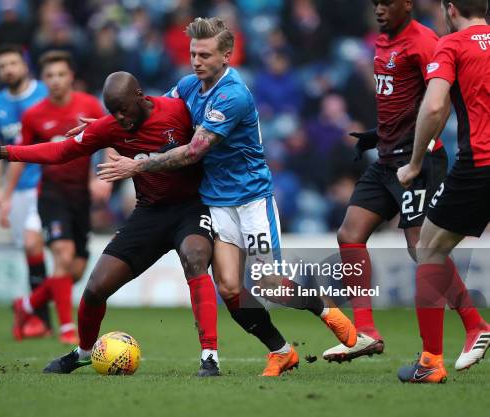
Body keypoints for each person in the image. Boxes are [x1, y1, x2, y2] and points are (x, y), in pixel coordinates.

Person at [95, 17, 357, 377]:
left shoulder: (232, 95)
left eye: (204, 54)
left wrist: (136, 167)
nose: (196, 61)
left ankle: (326, 311)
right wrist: (101, 127)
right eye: (192, 53)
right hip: (217, 202)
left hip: (252, 199)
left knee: (268, 284)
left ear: (226, 58)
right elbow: (149, 111)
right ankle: (281, 351)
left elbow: (192, 152)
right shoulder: (188, 86)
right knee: (231, 288)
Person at [0, 71, 220, 377]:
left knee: (195, 258)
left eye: (123, 108)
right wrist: (0, 152)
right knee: (96, 289)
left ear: (139, 95)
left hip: (191, 207)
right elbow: (60, 151)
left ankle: (209, 356)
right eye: (112, 111)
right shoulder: (110, 126)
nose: (120, 117)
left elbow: (210, 143)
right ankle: (84, 352)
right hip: (149, 213)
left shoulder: (177, 111)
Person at [323, 0, 488, 367]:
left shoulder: (426, 41)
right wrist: (377, 134)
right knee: (349, 234)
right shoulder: (382, 42)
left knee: (421, 248)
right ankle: (366, 332)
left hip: (418, 161)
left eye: (387, 3)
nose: (379, 10)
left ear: (407, 5)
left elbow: (437, 101)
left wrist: (419, 149)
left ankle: (474, 324)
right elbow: (401, 100)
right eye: (375, 3)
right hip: (385, 159)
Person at [396, 0, 490, 383]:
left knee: (428, 249)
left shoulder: (451, 45)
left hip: (480, 163)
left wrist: (415, 161)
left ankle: (430, 362)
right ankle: (473, 325)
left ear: (450, 9)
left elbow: (434, 106)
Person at [1, 50, 104, 344]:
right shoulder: (34, 115)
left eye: (61, 74)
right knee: (63, 255)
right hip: (51, 194)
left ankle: (27, 305)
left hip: (80, 198)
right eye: (50, 76)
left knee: (74, 271)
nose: (56, 80)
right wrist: (7, 196)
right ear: (42, 80)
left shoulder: (89, 105)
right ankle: (67, 329)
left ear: (71, 77)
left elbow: (110, 138)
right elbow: (20, 156)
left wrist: (102, 175)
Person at [0, 44, 51, 339]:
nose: (8, 70)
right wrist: (0, 193)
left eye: (12, 63)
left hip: (49, 184)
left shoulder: (46, 94)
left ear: (25, 65)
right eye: (2, 66)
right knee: (32, 252)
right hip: (19, 190)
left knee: (48, 251)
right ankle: (41, 318)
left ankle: (38, 314)